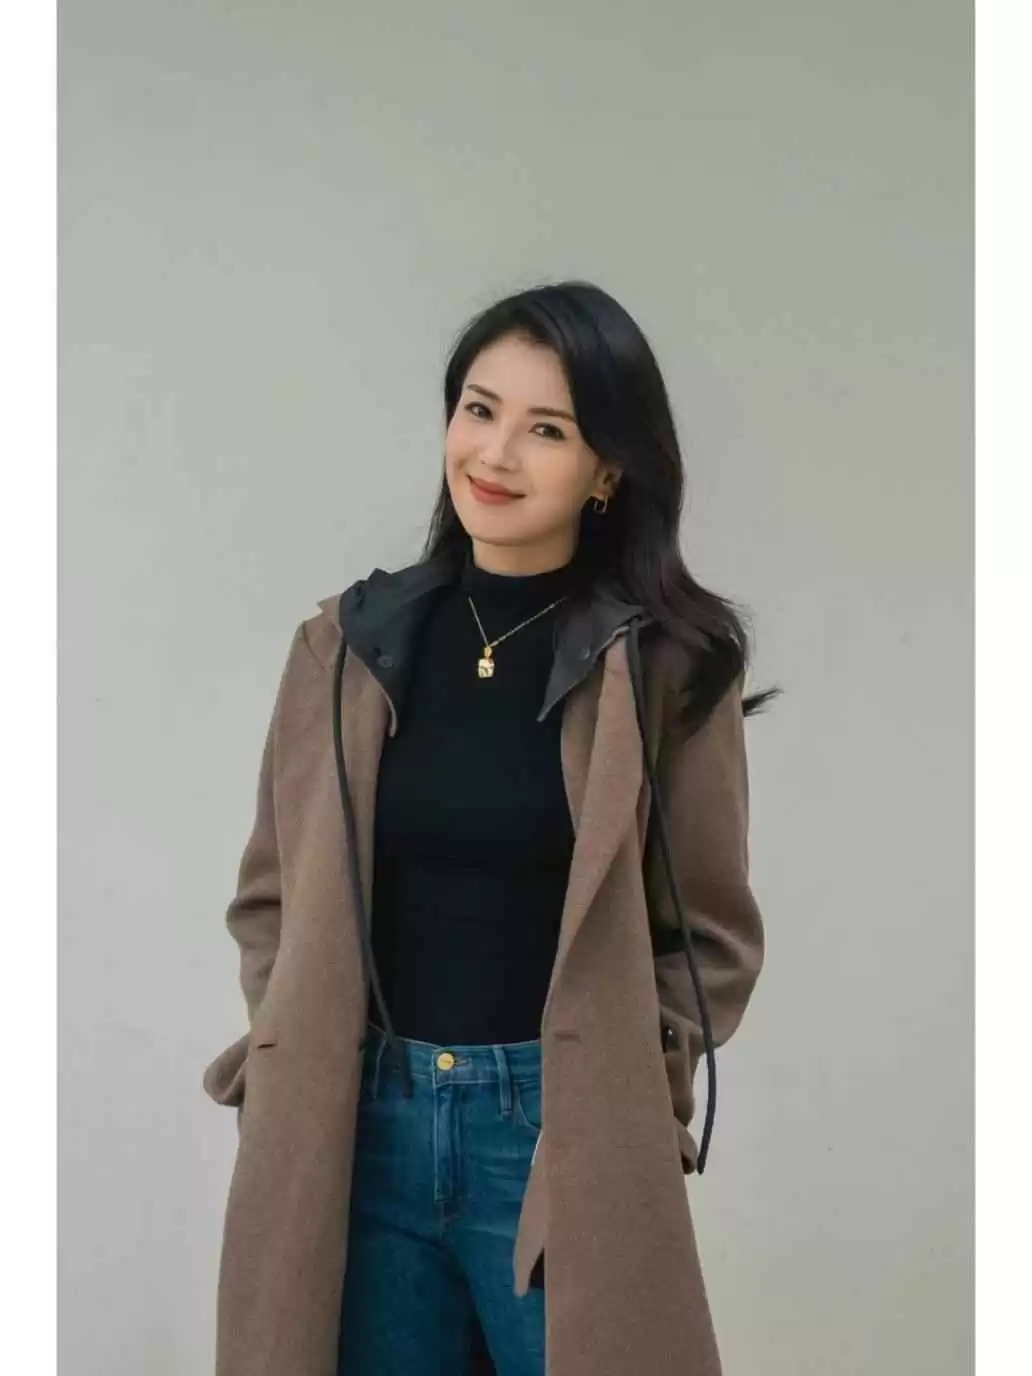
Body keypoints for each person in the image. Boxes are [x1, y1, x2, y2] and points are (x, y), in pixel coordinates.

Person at [203, 280, 775, 1376]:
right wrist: (286, 1054)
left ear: (608, 470)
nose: (496, 453)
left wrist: (626, 1094)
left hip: (557, 1131)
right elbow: (272, 892)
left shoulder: (664, 670)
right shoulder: (345, 647)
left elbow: (711, 938)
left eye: (547, 428)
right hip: (363, 1128)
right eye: (480, 408)